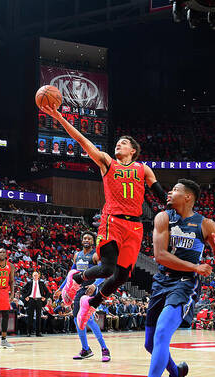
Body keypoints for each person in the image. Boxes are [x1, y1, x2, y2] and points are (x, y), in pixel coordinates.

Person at [41, 104, 165, 331]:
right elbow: (81, 140)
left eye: (125, 143)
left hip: (135, 226)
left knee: (122, 275)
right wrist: (58, 116)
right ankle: (75, 280)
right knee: (108, 268)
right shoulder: (108, 162)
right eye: (118, 141)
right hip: (112, 221)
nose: (119, 143)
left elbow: (160, 194)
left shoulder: (143, 169)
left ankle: (91, 303)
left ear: (133, 151)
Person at [134, 179, 215, 377]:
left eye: (175, 190)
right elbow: (160, 256)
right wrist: (196, 265)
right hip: (161, 281)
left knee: (162, 334)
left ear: (188, 197)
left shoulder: (205, 224)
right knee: (150, 344)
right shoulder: (163, 217)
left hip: (185, 283)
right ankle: (176, 373)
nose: (169, 192)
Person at [55, 232, 110, 362]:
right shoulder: (77, 255)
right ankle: (85, 349)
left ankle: (104, 349)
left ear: (93, 241)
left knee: (89, 320)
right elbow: (71, 274)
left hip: (91, 290)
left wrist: (95, 285)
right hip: (79, 290)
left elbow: (103, 273)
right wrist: (61, 288)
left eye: (89, 238)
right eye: (84, 238)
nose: (86, 240)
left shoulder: (96, 255)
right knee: (76, 319)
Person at [21, 271, 50, 337]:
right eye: (34, 275)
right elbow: (22, 290)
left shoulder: (41, 283)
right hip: (31, 300)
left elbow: (48, 292)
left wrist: (45, 298)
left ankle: (38, 333)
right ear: (32, 276)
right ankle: (29, 332)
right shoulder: (29, 283)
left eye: (36, 275)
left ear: (39, 276)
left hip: (39, 300)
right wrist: (25, 297)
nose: (35, 276)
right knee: (30, 317)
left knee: (38, 317)